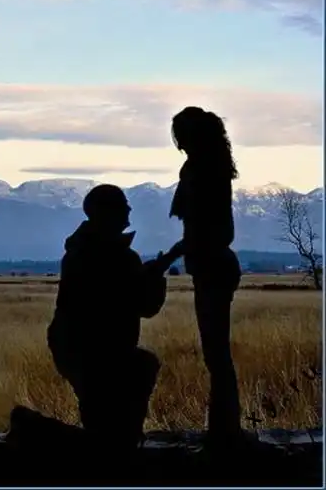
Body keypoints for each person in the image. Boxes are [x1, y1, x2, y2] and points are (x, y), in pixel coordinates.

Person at [47, 184, 166, 455]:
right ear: (107, 213)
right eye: (122, 205)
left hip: (74, 349)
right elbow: (145, 306)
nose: (129, 210)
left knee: (100, 417)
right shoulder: (118, 257)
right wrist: (154, 278)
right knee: (134, 379)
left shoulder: (79, 253)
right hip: (98, 353)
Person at [159, 106, 243, 448]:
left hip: (211, 268)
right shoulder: (214, 167)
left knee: (216, 355)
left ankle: (225, 434)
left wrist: (168, 258)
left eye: (180, 134)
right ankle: (224, 431)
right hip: (215, 266)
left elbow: (200, 230)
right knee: (217, 354)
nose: (178, 141)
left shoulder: (200, 170)